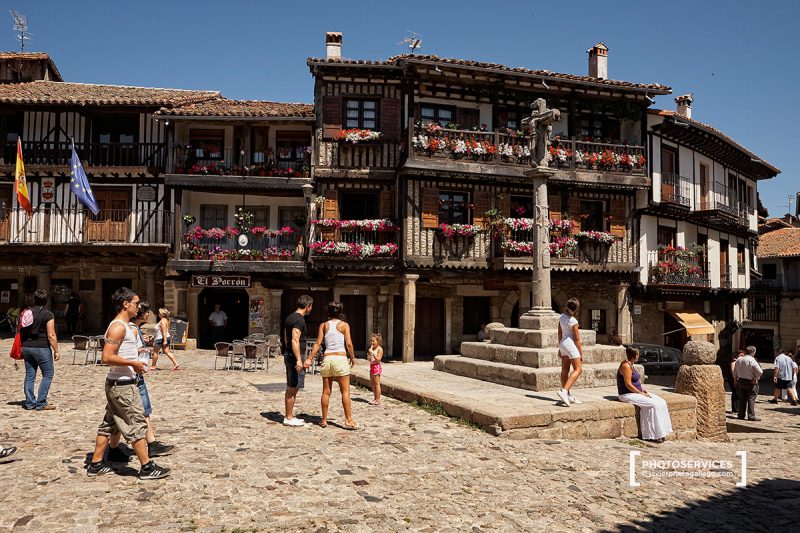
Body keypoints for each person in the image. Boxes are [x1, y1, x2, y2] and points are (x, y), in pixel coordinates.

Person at [87, 287, 170, 480]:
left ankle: (96, 463)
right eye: (136, 303)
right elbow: (107, 357)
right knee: (136, 423)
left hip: (120, 382)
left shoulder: (124, 326)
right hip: (122, 385)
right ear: (126, 304)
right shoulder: (118, 327)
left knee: (109, 425)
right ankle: (147, 467)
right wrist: (133, 363)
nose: (138, 307)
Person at [107, 301, 174, 463]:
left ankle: (111, 451)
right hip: (130, 377)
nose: (147, 314)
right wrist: (136, 361)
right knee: (141, 413)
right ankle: (147, 460)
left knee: (114, 417)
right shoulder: (130, 328)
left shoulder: (128, 327)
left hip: (124, 377)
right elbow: (116, 354)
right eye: (145, 311)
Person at [306, 301, 358, 430]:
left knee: (326, 391)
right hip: (340, 358)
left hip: (328, 359)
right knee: (345, 391)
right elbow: (349, 344)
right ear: (340, 312)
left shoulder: (323, 325)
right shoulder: (344, 325)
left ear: (328, 312)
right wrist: (352, 357)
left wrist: (309, 358)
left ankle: (323, 420)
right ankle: (348, 419)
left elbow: (318, 344)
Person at [617, 347, 673, 442]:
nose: (639, 356)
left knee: (662, 402)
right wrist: (640, 393)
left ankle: (662, 432)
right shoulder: (626, 366)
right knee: (653, 405)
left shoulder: (631, 365)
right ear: (635, 355)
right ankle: (653, 434)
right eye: (638, 354)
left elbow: (635, 382)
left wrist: (643, 390)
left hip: (637, 392)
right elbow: (628, 384)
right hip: (627, 394)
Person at [20, 289, 59, 411]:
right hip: (41, 347)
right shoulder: (48, 314)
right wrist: (56, 350)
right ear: (46, 301)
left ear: (34, 299)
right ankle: (41, 402)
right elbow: (51, 334)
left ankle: (30, 403)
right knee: (48, 374)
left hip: (26, 347)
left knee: (30, 375)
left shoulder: (27, 312)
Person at [282, 295, 313, 427]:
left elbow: (285, 338)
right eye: (311, 307)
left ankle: (290, 415)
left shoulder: (290, 317)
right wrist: (299, 359)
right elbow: (294, 340)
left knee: (292, 385)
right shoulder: (299, 320)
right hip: (295, 356)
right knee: (293, 386)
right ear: (308, 306)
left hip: (289, 354)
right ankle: (288, 417)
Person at [556, 298, 583, 407]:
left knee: (565, 369)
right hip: (570, 345)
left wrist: (560, 347)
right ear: (576, 308)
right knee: (578, 369)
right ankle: (564, 391)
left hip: (563, 344)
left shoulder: (561, 317)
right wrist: (581, 354)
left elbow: (559, 333)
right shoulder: (574, 321)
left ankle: (568, 395)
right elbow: (577, 339)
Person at [734, 346, 763, 421]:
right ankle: (751, 416)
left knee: (742, 399)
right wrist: (755, 378)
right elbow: (760, 371)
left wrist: (735, 380)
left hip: (741, 380)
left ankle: (741, 415)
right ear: (753, 352)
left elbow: (735, 371)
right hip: (750, 381)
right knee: (751, 398)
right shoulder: (752, 360)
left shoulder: (739, 359)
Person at [367, 333, 384, 406]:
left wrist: (373, 353)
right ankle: (375, 398)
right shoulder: (372, 349)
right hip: (372, 366)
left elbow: (378, 360)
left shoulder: (380, 349)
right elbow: (369, 359)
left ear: (378, 341)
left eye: (373, 341)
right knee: (373, 383)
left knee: (377, 384)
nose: (372, 343)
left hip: (376, 367)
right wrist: (369, 356)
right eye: (371, 341)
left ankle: (378, 399)